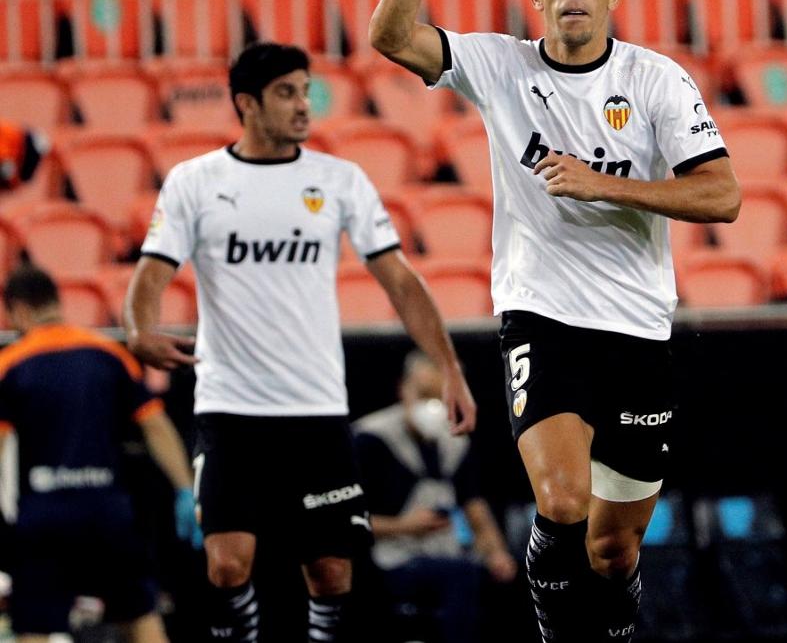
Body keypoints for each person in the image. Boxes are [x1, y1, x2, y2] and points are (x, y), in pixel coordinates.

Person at [368, 0, 741, 643]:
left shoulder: (656, 80)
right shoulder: (500, 66)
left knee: (614, 549)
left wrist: (605, 184)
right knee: (563, 502)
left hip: (638, 328)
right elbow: (391, 36)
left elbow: (723, 195)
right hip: (542, 317)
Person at [123, 42, 476, 642]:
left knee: (332, 573)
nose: (302, 104)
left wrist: (450, 368)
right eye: (286, 93)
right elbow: (150, 276)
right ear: (246, 103)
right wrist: (138, 330)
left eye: (305, 91)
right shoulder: (195, 182)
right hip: (231, 406)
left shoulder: (338, 181)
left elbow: (400, 281)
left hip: (315, 408)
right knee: (227, 565)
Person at [0, 264, 201, 643]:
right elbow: (155, 426)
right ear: (56, 301)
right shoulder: (109, 354)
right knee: (141, 619)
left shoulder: (9, 364)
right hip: (107, 512)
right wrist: (185, 490)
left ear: (19, 310)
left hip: (44, 516)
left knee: (35, 629)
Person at [353, 352, 518, 642]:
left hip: (445, 554)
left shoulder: (455, 442)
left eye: (440, 397)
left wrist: (496, 553)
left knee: (506, 577)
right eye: (424, 394)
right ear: (403, 389)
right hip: (388, 560)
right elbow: (345, 520)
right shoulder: (369, 439)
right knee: (461, 577)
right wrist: (404, 526)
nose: (432, 407)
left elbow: (474, 506)